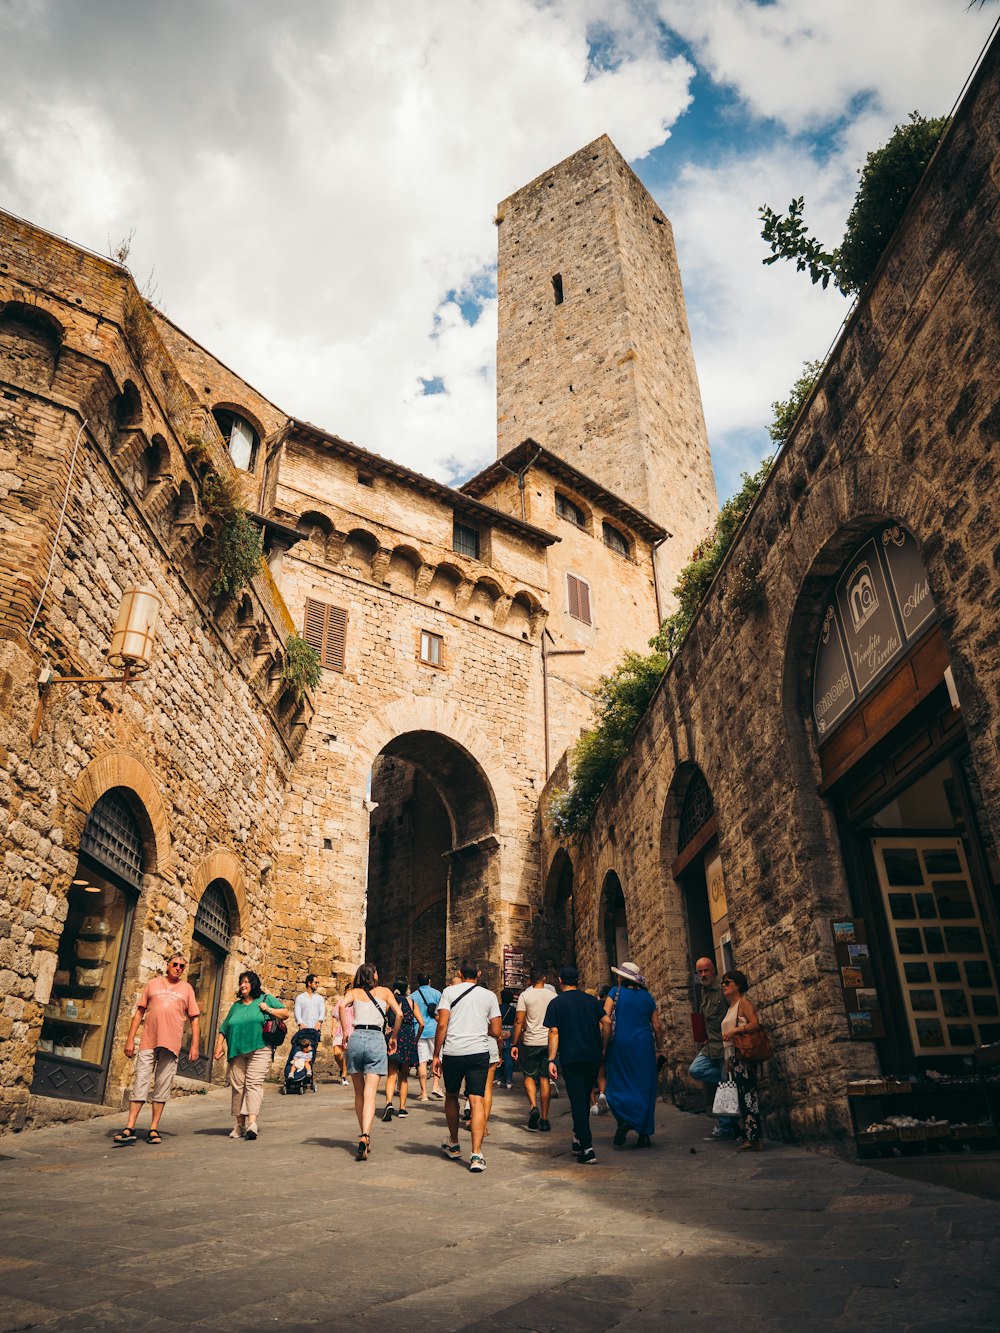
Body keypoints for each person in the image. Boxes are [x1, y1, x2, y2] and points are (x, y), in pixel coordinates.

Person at [115, 953, 200, 1145]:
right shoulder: (153, 984)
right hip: (148, 1042)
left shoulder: (187, 989)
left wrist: (195, 1045)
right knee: (140, 1082)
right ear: (167, 965)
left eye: (181, 966)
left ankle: (153, 1128)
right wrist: (130, 1040)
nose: (178, 968)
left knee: (162, 1086)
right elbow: (139, 1013)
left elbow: (194, 1019)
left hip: (171, 1045)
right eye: (175, 964)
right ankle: (130, 1126)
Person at [433, 959, 502, 1173]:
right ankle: (476, 1154)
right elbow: (497, 1031)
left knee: (452, 1096)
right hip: (479, 1053)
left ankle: (454, 1143)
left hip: (453, 1052)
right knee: (477, 1100)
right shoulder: (489, 996)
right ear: (479, 974)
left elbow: (442, 1024)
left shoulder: (449, 992)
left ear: (461, 973)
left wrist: (436, 1054)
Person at [214, 970, 290, 1141]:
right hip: (236, 1050)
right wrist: (219, 1046)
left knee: (253, 1084)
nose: (243, 985)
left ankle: (252, 1123)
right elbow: (224, 1028)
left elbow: (285, 1013)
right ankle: (239, 1124)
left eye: (247, 981)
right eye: (241, 982)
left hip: (260, 1047)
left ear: (253, 984)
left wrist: (268, 1009)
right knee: (238, 1087)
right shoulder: (236, 1006)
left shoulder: (264, 999)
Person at [339, 964, 402, 1159]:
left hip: (356, 1037)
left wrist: (345, 1031)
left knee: (359, 1091)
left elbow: (341, 1006)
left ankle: (363, 1134)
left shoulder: (354, 992)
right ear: (372, 975)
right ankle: (366, 1134)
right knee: (371, 1093)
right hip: (376, 1039)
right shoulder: (384, 991)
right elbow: (399, 1014)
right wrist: (394, 1036)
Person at [545, 965, 605, 1164]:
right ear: (578, 981)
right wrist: (603, 1046)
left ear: (560, 980)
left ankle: (588, 1149)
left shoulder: (556, 1003)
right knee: (584, 1098)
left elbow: (554, 1032)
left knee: (578, 1101)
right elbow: (607, 1023)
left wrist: (551, 1059)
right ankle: (578, 1138)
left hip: (572, 1058)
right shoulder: (591, 1001)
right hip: (593, 1056)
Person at [602, 961, 663, 1148]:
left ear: (621, 977)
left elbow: (605, 1018)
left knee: (616, 1082)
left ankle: (623, 1118)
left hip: (620, 1044)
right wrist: (659, 1048)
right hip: (643, 1046)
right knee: (645, 1086)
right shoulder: (647, 997)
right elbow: (657, 1026)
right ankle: (644, 1134)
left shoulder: (614, 993)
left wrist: (603, 1045)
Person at [688, 957, 737, 1142]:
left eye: (706, 971)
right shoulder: (705, 992)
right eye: (699, 971)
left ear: (714, 971)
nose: (703, 975)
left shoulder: (723, 990)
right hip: (711, 1047)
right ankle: (732, 1081)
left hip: (725, 1046)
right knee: (695, 1070)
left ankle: (725, 1127)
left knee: (724, 1085)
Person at [721, 969, 764, 1151]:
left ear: (737, 985)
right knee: (741, 1096)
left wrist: (736, 1031)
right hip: (735, 1057)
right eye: (723, 982)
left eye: (727, 982)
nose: (723, 985)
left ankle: (754, 1138)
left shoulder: (743, 1002)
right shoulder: (731, 1006)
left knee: (748, 1096)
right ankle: (749, 1135)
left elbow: (755, 1023)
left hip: (745, 1055)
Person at [511, 965, 554, 1131]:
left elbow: (519, 1021)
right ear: (544, 978)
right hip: (548, 1042)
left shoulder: (525, 995)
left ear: (529, 980)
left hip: (530, 1042)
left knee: (529, 1076)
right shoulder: (553, 995)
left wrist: (514, 1043)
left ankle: (533, 1106)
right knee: (545, 1079)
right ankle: (544, 1118)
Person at [382, 978, 424, 1121]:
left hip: (392, 1036)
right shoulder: (412, 1003)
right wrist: (416, 1039)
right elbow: (421, 1023)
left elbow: (384, 1021)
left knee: (391, 1074)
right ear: (407, 989)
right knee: (404, 1077)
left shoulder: (389, 1003)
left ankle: (388, 1103)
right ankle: (402, 1108)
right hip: (407, 1037)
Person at [410, 973, 443, 1100]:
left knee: (422, 1061)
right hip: (434, 1030)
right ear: (429, 981)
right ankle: (435, 1086)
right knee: (438, 1058)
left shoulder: (413, 996)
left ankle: (423, 1093)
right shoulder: (437, 994)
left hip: (419, 1030)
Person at [293, 973, 326, 1054]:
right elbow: (297, 1011)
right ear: (309, 983)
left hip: (315, 1030)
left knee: (312, 1053)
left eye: (318, 983)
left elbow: (322, 1011)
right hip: (303, 1030)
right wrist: (301, 1024)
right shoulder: (300, 998)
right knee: (300, 1053)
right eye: (316, 982)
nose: (317, 985)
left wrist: (319, 1023)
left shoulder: (320, 998)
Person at [330, 990, 352, 1085]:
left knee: (346, 1053)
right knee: (337, 1053)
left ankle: (343, 1075)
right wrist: (333, 1029)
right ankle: (343, 1069)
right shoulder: (341, 1003)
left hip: (351, 1030)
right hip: (340, 1030)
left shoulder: (356, 1004)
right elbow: (335, 1016)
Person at [499, 987, 517, 1089]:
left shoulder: (498, 1008)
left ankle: (497, 1077)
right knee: (508, 1055)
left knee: (498, 1054)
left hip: (500, 1031)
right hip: (510, 1031)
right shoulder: (513, 1010)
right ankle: (509, 1080)